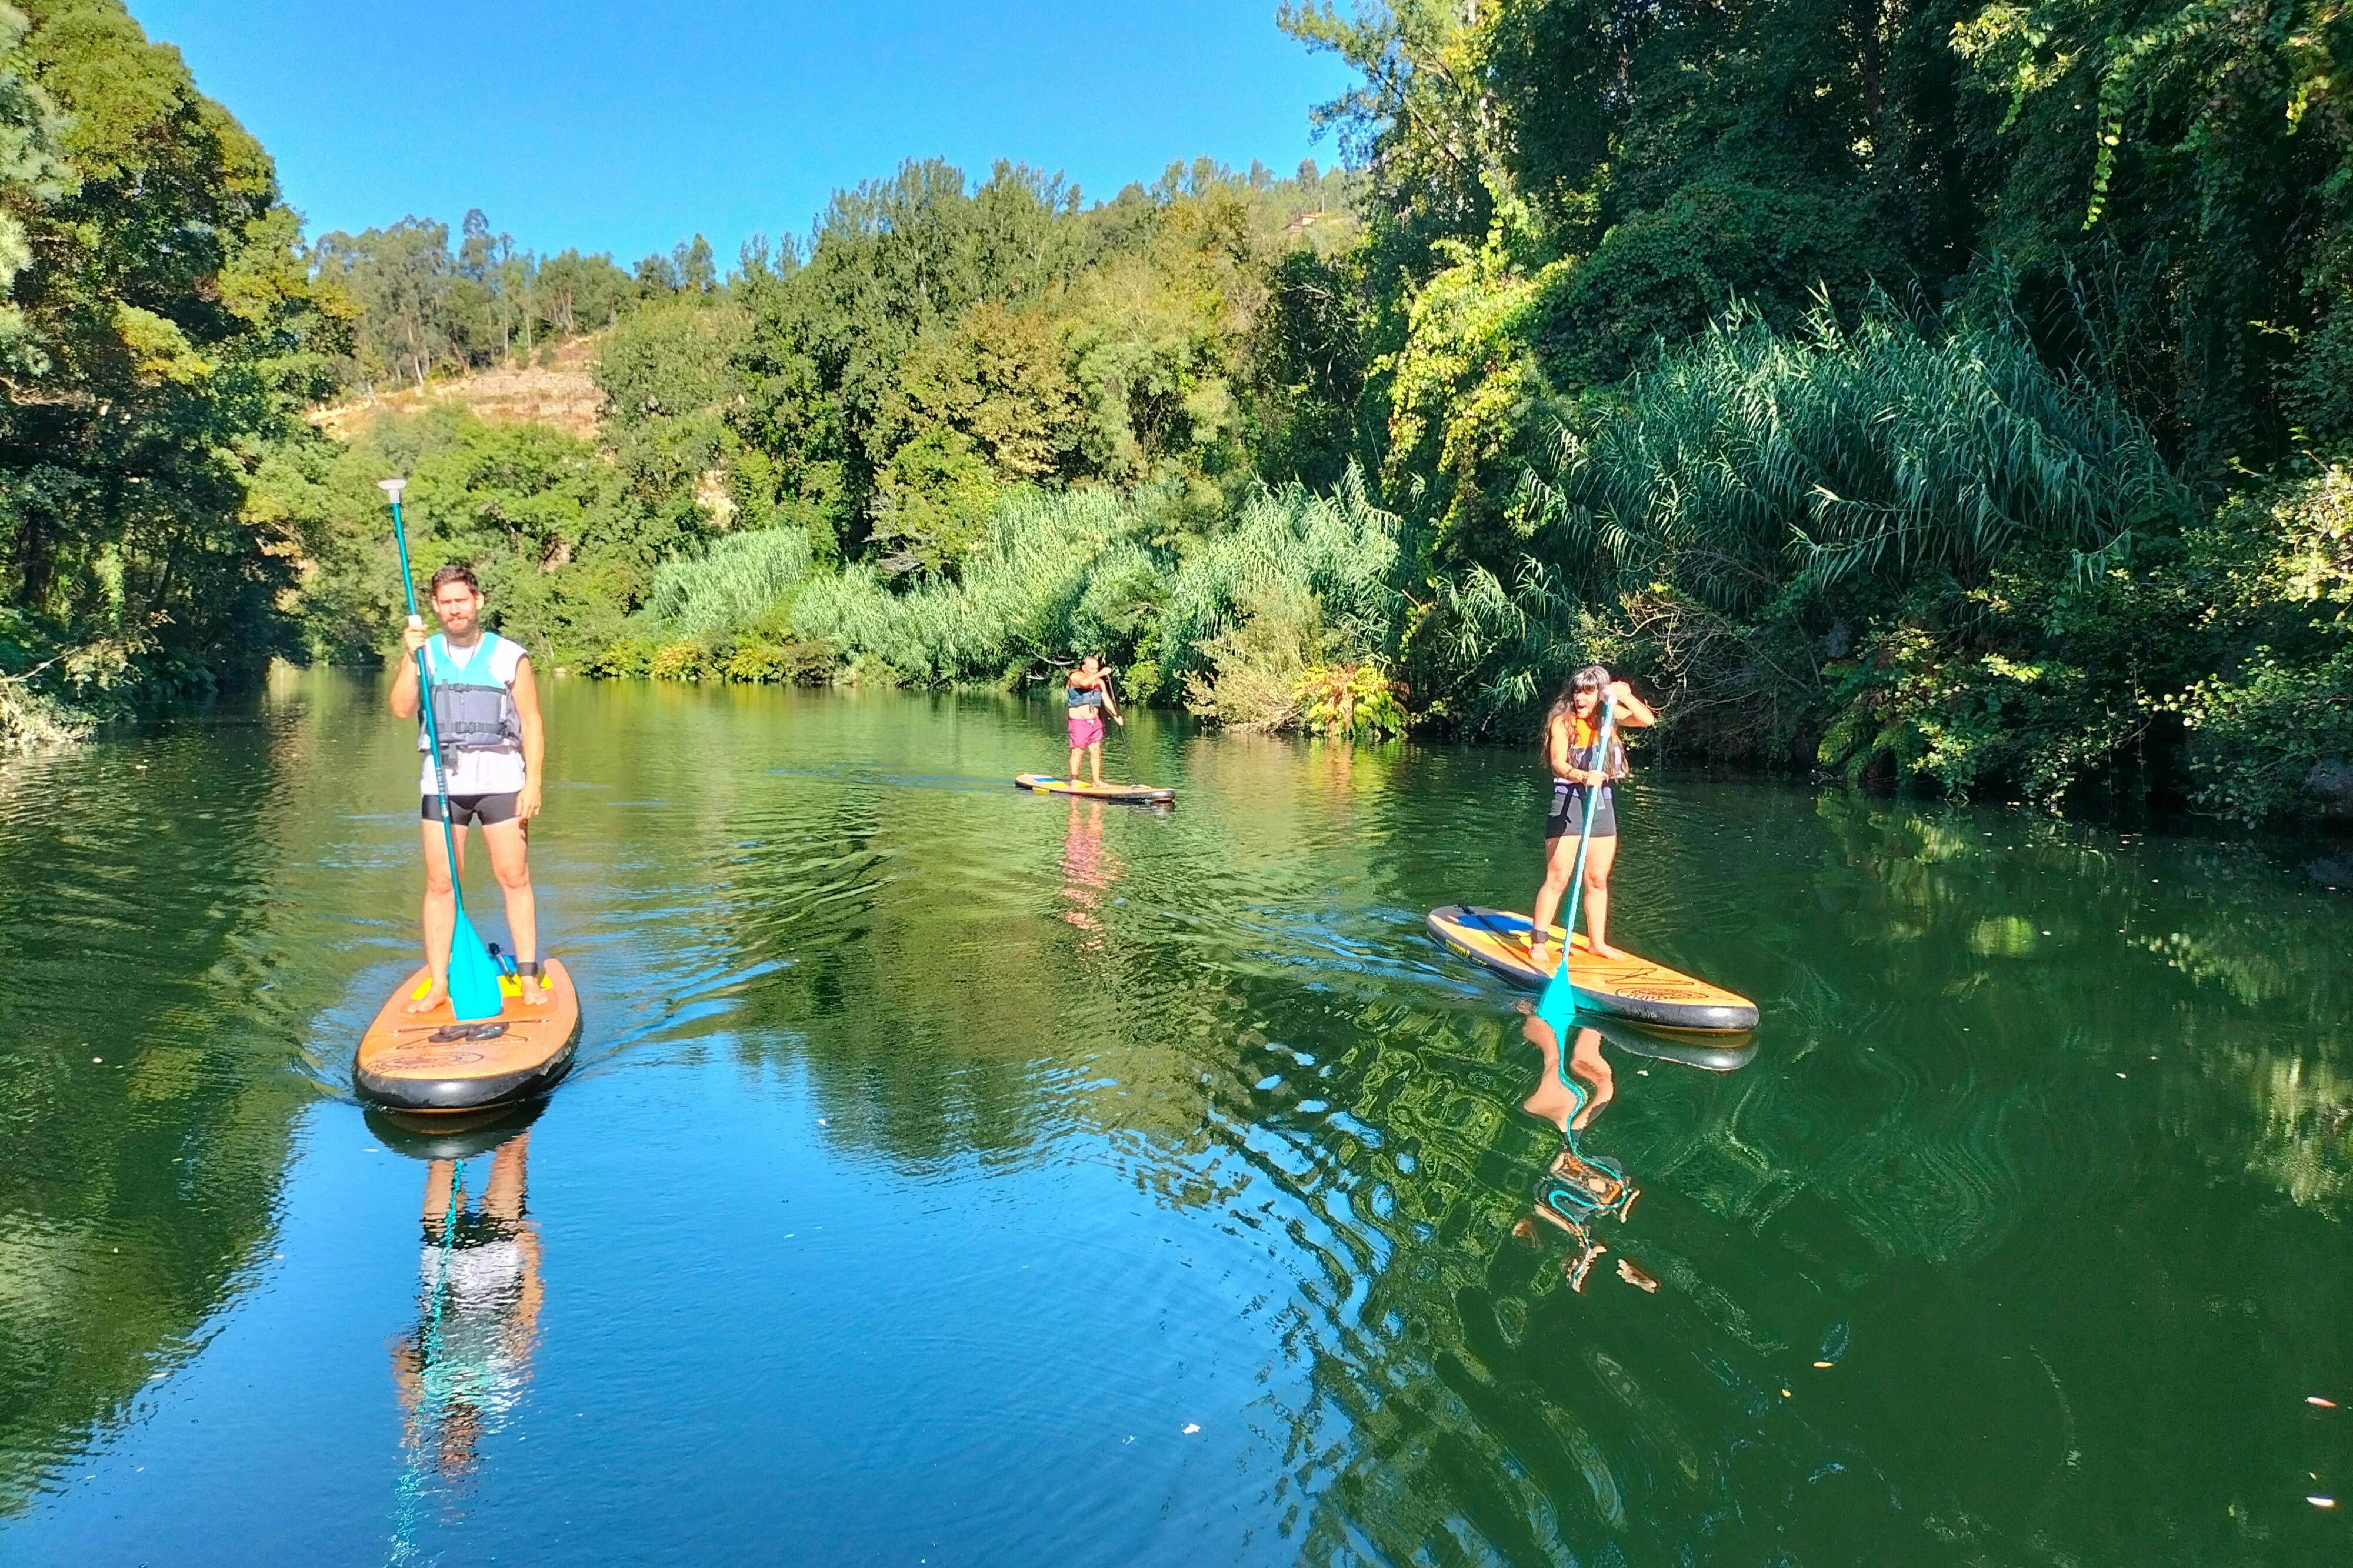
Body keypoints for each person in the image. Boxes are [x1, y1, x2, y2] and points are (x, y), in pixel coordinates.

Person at [389, 563, 548, 1012]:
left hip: (502, 782)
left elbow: (532, 723)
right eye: (445, 603)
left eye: (462, 600)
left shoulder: (508, 655)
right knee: (441, 883)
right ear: (435, 608)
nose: (454, 609)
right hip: (443, 784)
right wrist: (408, 656)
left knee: (513, 877)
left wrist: (533, 782)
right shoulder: (426, 654)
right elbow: (401, 709)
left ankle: (529, 976)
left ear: (477, 602)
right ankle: (439, 984)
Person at [1528, 664, 1655, 968]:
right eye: (1577, 691)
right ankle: (1538, 942)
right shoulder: (1563, 722)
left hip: (1601, 803)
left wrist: (1626, 695)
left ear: (1600, 694)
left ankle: (1597, 943)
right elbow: (1558, 763)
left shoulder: (1608, 718)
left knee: (1597, 879)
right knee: (1558, 877)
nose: (1581, 698)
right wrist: (1583, 777)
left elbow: (1646, 720)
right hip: (1569, 800)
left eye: (1588, 691)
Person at [1064, 653, 1123, 786]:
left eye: (1097, 669)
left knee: (1096, 750)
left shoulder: (1099, 682)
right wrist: (1102, 673)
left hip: (1095, 723)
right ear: (1084, 668)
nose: (1096, 672)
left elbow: (1107, 701)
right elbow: (1084, 683)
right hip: (1079, 722)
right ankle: (1074, 780)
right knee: (1078, 751)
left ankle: (1096, 781)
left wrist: (1116, 716)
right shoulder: (1076, 677)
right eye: (1093, 669)